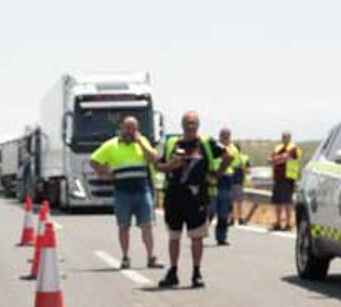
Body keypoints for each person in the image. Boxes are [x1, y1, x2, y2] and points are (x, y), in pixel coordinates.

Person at [88, 116, 162, 268]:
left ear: (137, 129)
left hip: (142, 191)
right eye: (127, 128)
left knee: (147, 226)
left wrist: (141, 142)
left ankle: (151, 257)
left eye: (133, 128)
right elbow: (93, 161)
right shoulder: (111, 145)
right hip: (122, 193)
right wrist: (105, 173)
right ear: (121, 128)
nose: (129, 131)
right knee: (124, 226)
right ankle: (125, 257)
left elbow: (154, 158)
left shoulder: (142, 142)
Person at [157, 111, 217, 288]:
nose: (190, 127)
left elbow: (228, 154)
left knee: (197, 237)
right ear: (182, 125)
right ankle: (173, 272)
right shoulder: (171, 143)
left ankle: (196, 272)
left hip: (197, 197)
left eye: (193, 123)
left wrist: (216, 173)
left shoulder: (206, 143)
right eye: (187, 123)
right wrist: (171, 165)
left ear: (198, 125)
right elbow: (158, 166)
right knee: (174, 236)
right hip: (174, 196)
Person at [212, 126, 241, 245]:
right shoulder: (214, 147)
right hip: (213, 178)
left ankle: (221, 237)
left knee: (224, 211)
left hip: (226, 179)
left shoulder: (233, 149)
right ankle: (200, 234)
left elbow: (236, 163)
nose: (224, 137)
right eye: (222, 135)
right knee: (210, 208)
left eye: (226, 135)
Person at [269, 131, 301, 232]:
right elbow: (270, 159)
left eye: (286, 137)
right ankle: (278, 223)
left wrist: (275, 159)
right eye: (283, 137)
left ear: (290, 138)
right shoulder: (278, 147)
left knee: (287, 202)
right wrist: (276, 159)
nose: (284, 138)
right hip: (278, 178)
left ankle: (288, 224)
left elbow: (284, 158)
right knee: (277, 202)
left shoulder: (293, 148)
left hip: (288, 178)